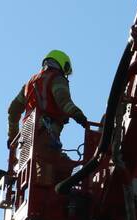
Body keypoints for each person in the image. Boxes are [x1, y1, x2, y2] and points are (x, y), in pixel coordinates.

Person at [7, 50, 91, 184]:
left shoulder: (29, 83)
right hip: (46, 135)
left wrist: (12, 137)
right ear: (63, 65)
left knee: (48, 168)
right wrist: (80, 117)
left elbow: (13, 110)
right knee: (53, 171)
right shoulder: (57, 78)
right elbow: (64, 102)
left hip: (26, 139)